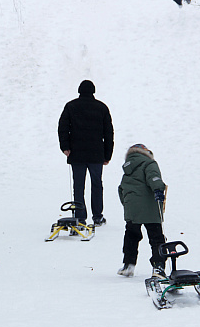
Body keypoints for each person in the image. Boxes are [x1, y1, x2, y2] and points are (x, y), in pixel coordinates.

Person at [58, 80, 114, 226]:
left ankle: (80, 217)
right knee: (97, 184)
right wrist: (107, 155)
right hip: (96, 154)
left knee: (78, 185)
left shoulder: (71, 106)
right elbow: (108, 133)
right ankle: (97, 216)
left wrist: (65, 147)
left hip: (76, 154)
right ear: (93, 91)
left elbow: (63, 128)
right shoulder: (102, 108)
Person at [116, 144, 167, 279]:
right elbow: (154, 177)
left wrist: (127, 204)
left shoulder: (127, 168)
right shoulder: (150, 163)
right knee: (156, 237)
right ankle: (159, 266)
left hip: (132, 208)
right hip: (150, 206)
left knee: (131, 235)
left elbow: (121, 189)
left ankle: (128, 264)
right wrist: (158, 190)